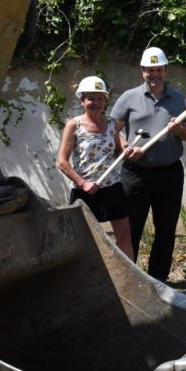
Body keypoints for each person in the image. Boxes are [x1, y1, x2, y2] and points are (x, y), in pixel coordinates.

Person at [110, 46, 186, 283]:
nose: (154, 74)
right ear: (142, 71)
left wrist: (179, 129)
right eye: (149, 70)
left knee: (165, 229)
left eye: (158, 69)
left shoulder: (180, 100)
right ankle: (130, 278)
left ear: (166, 70)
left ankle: (158, 280)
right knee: (131, 228)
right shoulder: (129, 98)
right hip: (135, 174)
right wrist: (126, 147)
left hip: (169, 174)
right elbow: (113, 131)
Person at [57, 75, 133, 258]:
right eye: (91, 98)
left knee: (124, 237)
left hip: (112, 187)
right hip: (85, 191)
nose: (96, 102)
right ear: (82, 100)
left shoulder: (111, 124)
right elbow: (62, 161)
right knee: (83, 240)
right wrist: (82, 183)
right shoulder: (73, 125)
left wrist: (125, 150)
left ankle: (131, 283)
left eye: (100, 98)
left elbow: (115, 151)